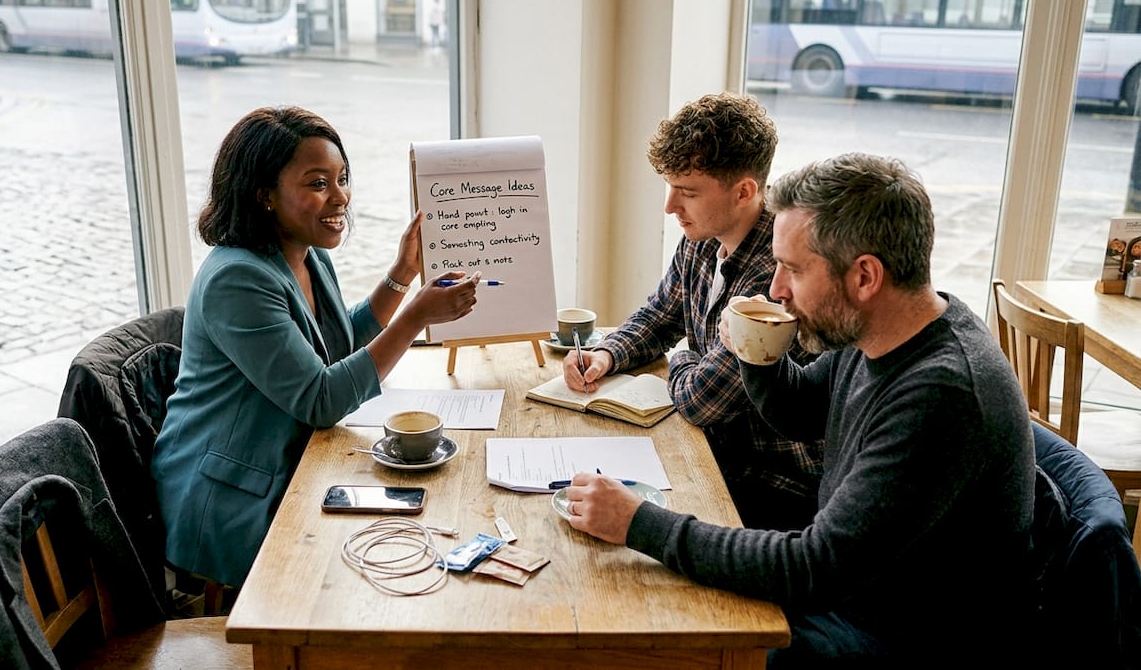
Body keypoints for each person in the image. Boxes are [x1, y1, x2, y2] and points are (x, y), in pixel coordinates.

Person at [562, 153, 1034, 667]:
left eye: (792, 269)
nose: (776, 289)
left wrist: (640, 524)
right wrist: (755, 351)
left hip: (902, 636)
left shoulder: (940, 395)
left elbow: (811, 567)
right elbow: (801, 411)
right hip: (855, 592)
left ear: (865, 277)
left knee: (639, 632)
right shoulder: (881, 330)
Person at [151, 106, 479, 589]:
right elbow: (322, 399)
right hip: (230, 498)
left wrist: (403, 274)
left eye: (342, 178)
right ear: (264, 195)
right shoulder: (236, 279)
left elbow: (337, 345)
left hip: (292, 464)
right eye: (318, 183)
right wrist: (416, 318)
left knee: (419, 529)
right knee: (386, 564)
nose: (341, 196)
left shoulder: (304, 254)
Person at [563, 92, 822, 531]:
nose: (669, 206)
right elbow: (661, 315)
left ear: (744, 192)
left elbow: (703, 401)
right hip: (710, 452)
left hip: (768, 486)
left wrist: (682, 357)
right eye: (670, 187)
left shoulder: (775, 275)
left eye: (687, 192)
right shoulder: (702, 235)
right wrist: (606, 354)